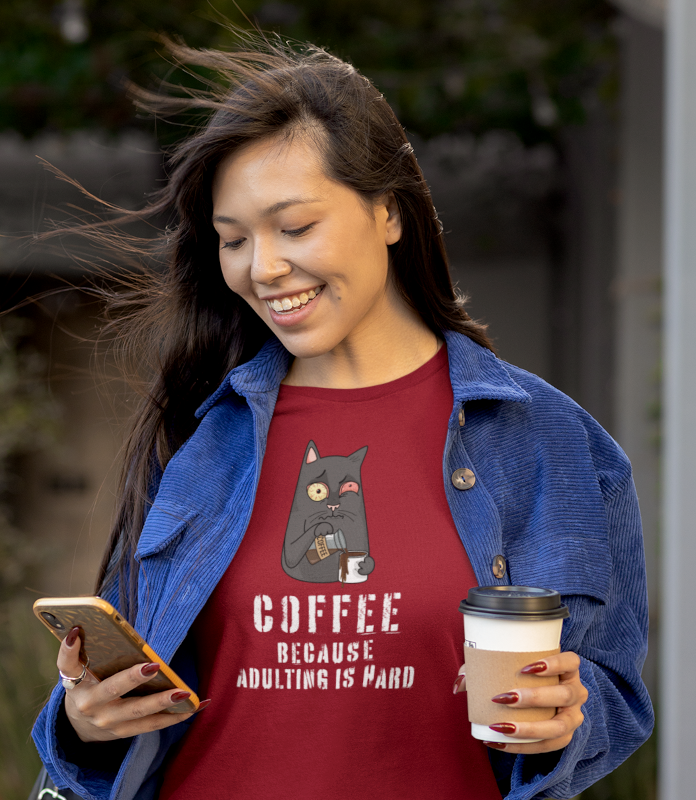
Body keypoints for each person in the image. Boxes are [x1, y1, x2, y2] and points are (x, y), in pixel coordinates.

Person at [32, 32, 654, 800]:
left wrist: (566, 720)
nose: (262, 268)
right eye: (234, 240)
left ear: (389, 211)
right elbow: (121, 707)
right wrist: (82, 721)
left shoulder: (550, 444)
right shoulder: (203, 435)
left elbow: (614, 700)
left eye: (295, 227)